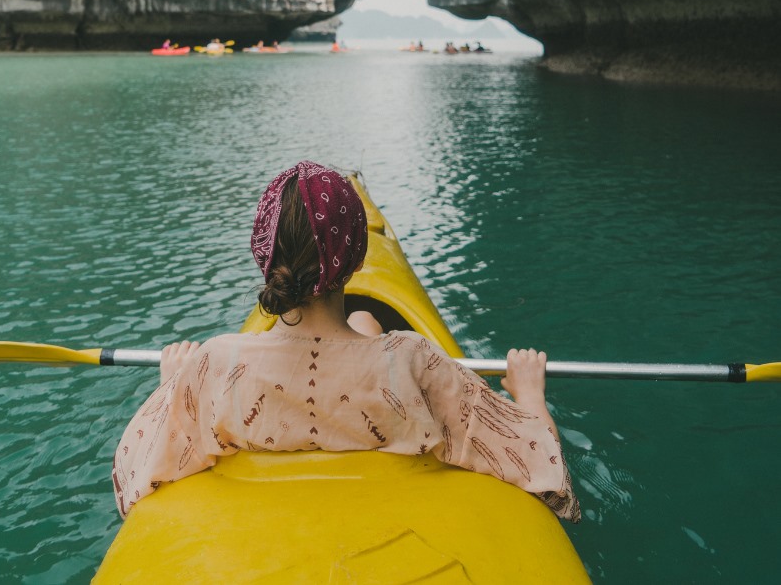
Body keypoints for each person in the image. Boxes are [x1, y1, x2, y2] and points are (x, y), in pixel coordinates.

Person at [112, 162, 580, 523]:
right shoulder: (413, 360)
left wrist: (172, 387)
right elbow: (544, 466)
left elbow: (136, 470)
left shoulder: (213, 364)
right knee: (364, 325)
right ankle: (363, 329)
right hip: (394, 514)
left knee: (363, 326)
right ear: (356, 257)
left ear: (264, 255)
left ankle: (362, 328)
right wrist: (530, 392)